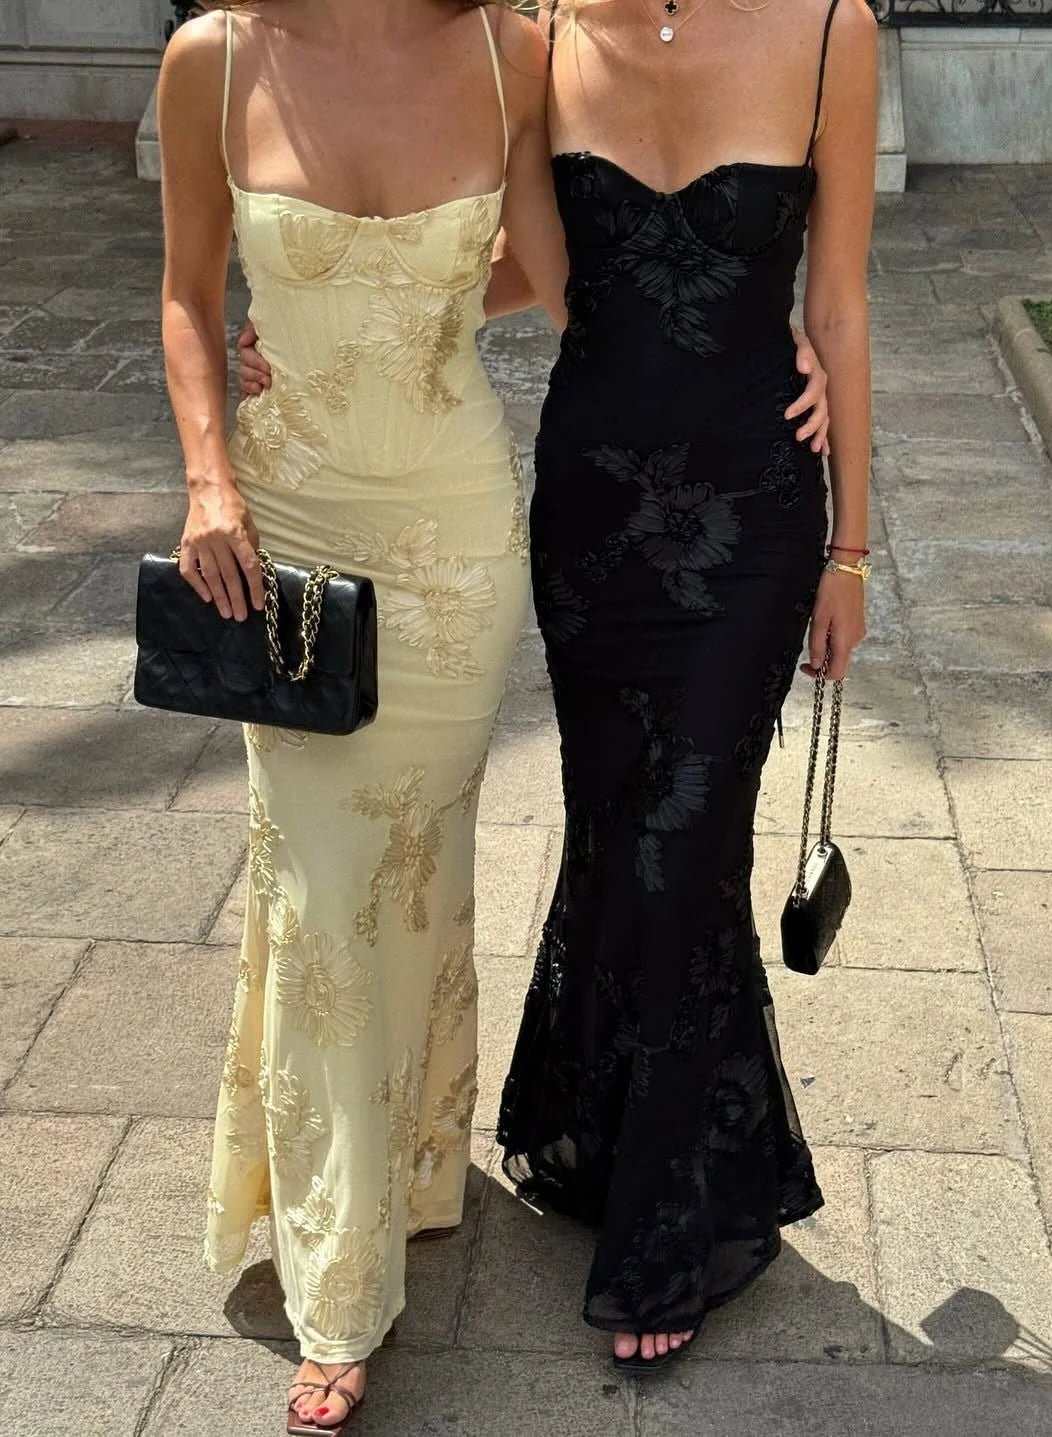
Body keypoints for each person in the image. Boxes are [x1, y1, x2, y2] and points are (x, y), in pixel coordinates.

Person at [234, 0, 848, 1384]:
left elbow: (828, 298)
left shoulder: (822, 29)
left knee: (687, 843)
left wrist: (832, 493)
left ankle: (661, 1225)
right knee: (623, 834)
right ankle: (600, 1126)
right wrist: (318, 335)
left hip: (747, 505)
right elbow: (529, 271)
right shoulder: (544, 38)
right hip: (592, 513)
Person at [158, 1, 568, 1429]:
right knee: (327, 886)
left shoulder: (511, 52)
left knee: (421, 852)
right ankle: (339, 1284)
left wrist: (782, 364)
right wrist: (211, 480)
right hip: (293, 529)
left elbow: (558, 274)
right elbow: (185, 291)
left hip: (457, 531)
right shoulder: (214, 56)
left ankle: (411, 1164)